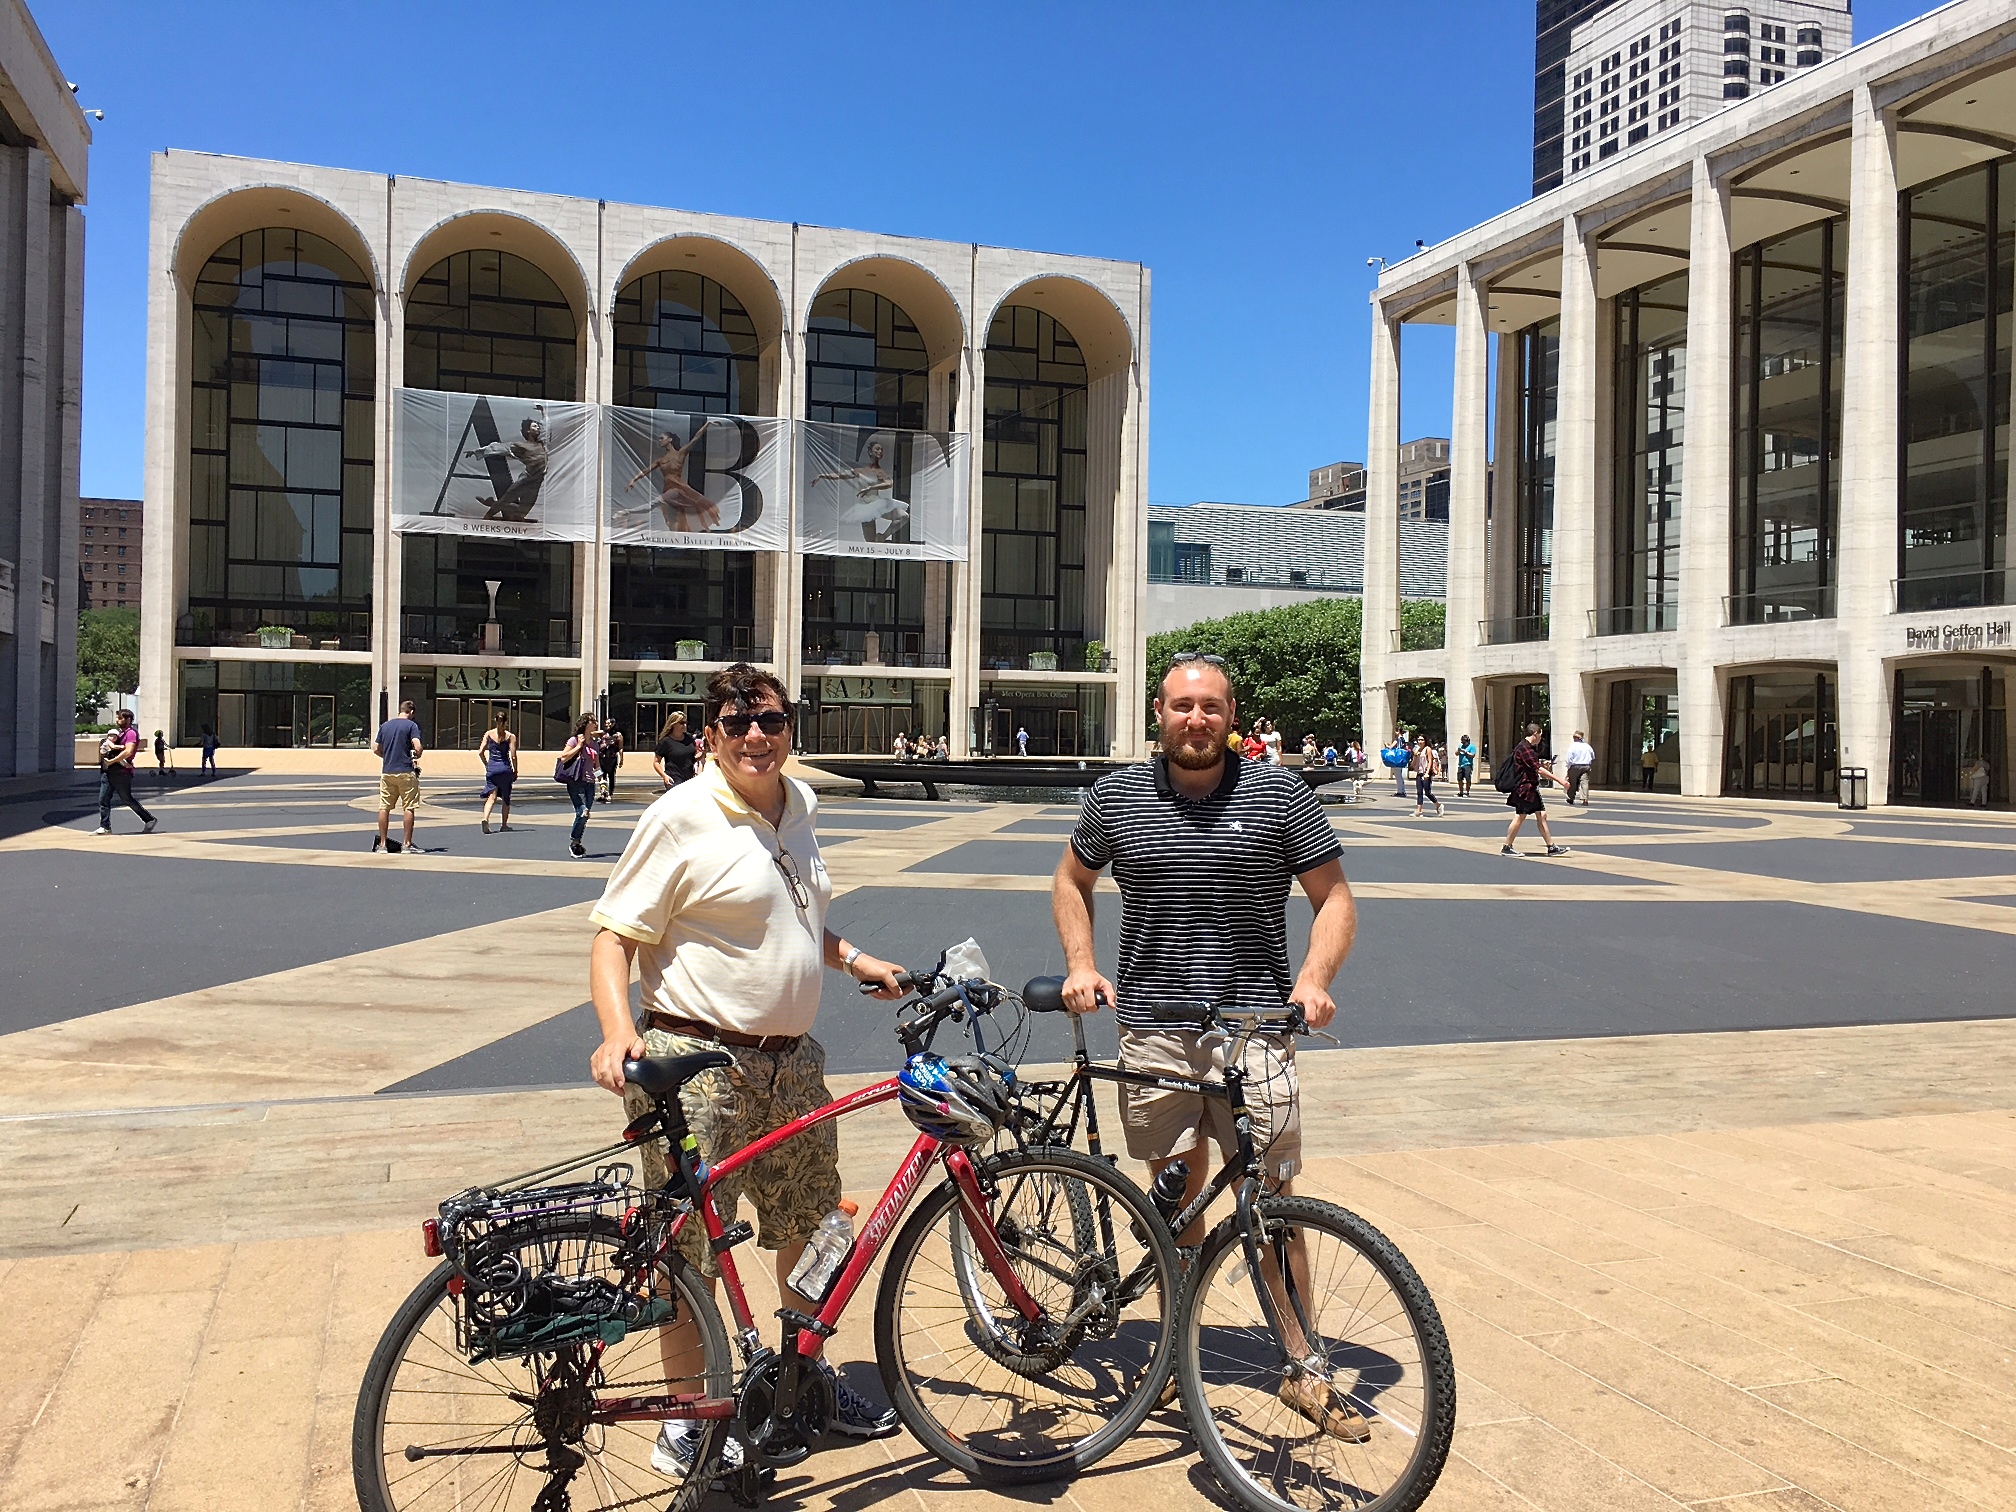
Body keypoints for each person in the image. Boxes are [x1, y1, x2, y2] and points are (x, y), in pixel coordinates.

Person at [587, 663, 909, 1466]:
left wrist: (853, 957)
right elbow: (612, 938)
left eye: (772, 721)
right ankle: (687, 1420)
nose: (757, 737)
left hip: (791, 1063)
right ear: (711, 737)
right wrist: (616, 1030)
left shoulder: (798, 805)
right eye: (738, 724)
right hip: (698, 1067)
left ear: (791, 727)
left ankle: (803, 1381)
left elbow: (795, 921)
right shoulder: (680, 817)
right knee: (688, 1250)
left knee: (814, 1226)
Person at [1053, 651, 1366, 1441]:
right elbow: (1070, 881)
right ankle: (1175, 1353)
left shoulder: (1279, 794)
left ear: (1232, 715)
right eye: (1181, 706)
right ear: (1158, 713)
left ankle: (1304, 1364)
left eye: (1211, 707)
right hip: (1153, 1030)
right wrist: (1083, 964)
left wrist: (1315, 979)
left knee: (1273, 1204)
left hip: (1255, 1028)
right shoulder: (1116, 796)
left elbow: (1334, 898)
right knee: (1176, 1202)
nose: (1196, 719)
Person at [628, 423, 721, 531]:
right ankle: (676, 540)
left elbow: (696, 438)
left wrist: (707, 424)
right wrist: (633, 480)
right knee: (672, 519)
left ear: (670, 440)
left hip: (677, 489)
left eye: (662, 438)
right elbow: (646, 470)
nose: (660, 440)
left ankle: (627, 512)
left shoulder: (680, 454)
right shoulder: (661, 460)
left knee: (656, 504)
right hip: (667, 489)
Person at [1502, 723, 1570, 858]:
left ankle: (1551, 847)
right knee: (1520, 816)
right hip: (1525, 788)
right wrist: (1560, 780)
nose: (1541, 738)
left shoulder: (1526, 748)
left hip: (1530, 788)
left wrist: (1542, 765)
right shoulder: (1524, 748)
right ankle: (1507, 847)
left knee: (1541, 815)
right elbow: (1536, 768)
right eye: (1540, 735)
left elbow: (1534, 766)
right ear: (1535, 734)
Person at [94, 708, 157, 836]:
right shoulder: (120, 734)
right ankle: (105, 826)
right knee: (103, 798)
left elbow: (128, 751)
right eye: (117, 718)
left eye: (120, 718)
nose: (117, 720)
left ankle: (149, 819)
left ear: (128, 719)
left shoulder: (131, 734)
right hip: (109, 771)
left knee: (126, 799)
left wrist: (113, 761)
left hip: (121, 772)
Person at [372, 700, 424, 854]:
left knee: (384, 807)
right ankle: (406, 844)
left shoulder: (385, 726)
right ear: (412, 712)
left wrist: (386, 757)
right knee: (408, 807)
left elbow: (375, 748)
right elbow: (417, 745)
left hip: (387, 771)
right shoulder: (411, 726)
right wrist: (418, 754)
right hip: (405, 770)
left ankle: (382, 844)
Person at [559, 713, 600, 858]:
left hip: (590, 783)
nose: (595, 723)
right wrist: (579, 746)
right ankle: (573, 842)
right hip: (576, 781)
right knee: (582, 812)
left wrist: (601, 780)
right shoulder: (574, 740)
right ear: (585, 724)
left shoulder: (595, 743)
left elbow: (596, 764)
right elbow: (563, 757)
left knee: (586, 813)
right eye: (592, 721)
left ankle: (576, 842)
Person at [477, 710, 518, 833]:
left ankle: (485, 818)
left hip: (492, 768)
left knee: (491, 796)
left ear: (495, 720)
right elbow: (513, 756)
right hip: (505, 769)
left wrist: (487, 764)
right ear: (507, 722)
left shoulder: (489, 734)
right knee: (506, 798)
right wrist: (515, 770)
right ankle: (504, 825)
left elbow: (480, 752)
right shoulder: (510, 736)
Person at [654, 710, 698, 790]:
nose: (684, 725)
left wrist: (703, 753)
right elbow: (656, 762)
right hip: (673, 779)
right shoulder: (665, 741)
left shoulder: (689, 738)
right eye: (681, 723)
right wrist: (664, 776)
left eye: (685, 722)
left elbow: (693, 759)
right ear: (674, 724)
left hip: (689, 779)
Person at [1411, 736, 1444, 818]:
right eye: (1418, 740)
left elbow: (1430, 761)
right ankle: (1419, 810)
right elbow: (1413, 764)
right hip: (1419, 772)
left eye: (1422, 740)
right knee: (1419, 792)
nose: (1420, 741)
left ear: (1425, 741)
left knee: (1427, 792)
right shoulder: (1417, 750)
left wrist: (1427, 773)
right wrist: (1415, 756)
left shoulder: (1427, 749)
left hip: (1426, 773)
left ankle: (1438, 805)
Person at [1563, 730, 1597, 806]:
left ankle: (1571, 798)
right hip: (1586, 766)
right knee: (1584, 783)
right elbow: (1593, 756)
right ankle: (1584, 799)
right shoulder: (1587, 746)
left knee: (1573, 783)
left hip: (1575, 766)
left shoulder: (1573, 746)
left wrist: (1568, 767)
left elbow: (1569, 758)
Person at [598, 724, 625, 801]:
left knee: (611, 776)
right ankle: (603, 793)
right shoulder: (602, 733)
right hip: (602, 757)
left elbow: (620, 748)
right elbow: (592, 733)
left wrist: (621, 759)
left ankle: (610, 793)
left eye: (609, 723)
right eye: (606, 723)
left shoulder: (618, 735)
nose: (607, 725)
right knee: (602, 776)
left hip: (612, 758)